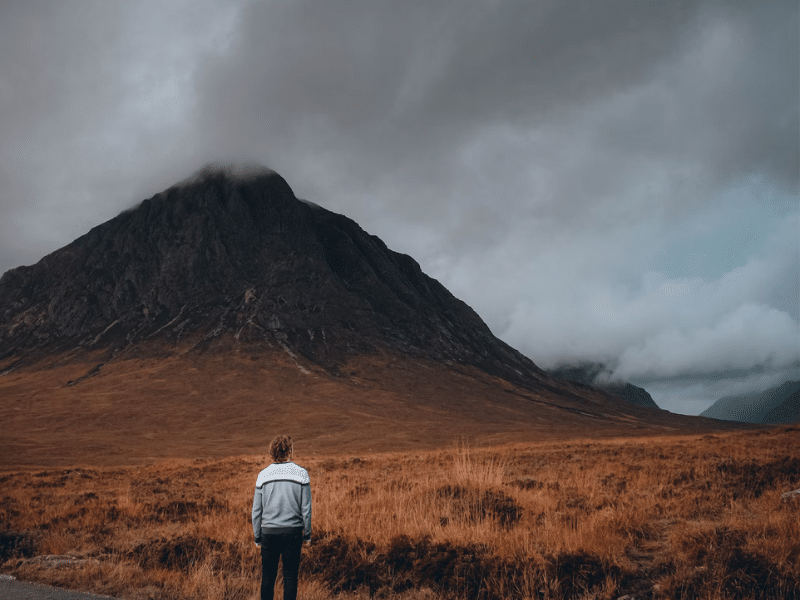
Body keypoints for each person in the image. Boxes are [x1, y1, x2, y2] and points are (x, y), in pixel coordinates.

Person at [252, 435, 312, 600]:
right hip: (293, 532)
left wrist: (257, 537)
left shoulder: (263, 475)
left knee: (268, 577)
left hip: (268, 532)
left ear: (272, 452)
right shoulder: (302, 474)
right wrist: (307, 535)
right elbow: (306, 508)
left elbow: (256, 510)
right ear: (290, 451)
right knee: (291, 576)